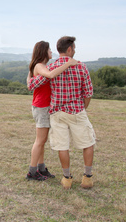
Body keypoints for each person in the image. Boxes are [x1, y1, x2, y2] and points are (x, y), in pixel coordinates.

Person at [30, 36, 96, 189]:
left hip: (57, 112)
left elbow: (35, 83)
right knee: (88, 143)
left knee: (62, 146)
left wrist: (29, 79)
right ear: (69, 49)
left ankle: (67, 178)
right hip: (77, 111)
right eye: (74, 48)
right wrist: (82, 108)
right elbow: (88, 92)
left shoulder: (51, 67)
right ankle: (87, 177)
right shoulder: (81, 66)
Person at [25, 40, 78, 181]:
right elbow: (51, 75)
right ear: (43, 51)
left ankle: (41, 168)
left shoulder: (40, 66)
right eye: (49, 50)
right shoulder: (40, 66)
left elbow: (30, 82)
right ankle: (32, 171)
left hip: (42, 106)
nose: (51, 52)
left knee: (42, 140)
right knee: (40, 140)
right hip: (42, 107)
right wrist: (68, 63)